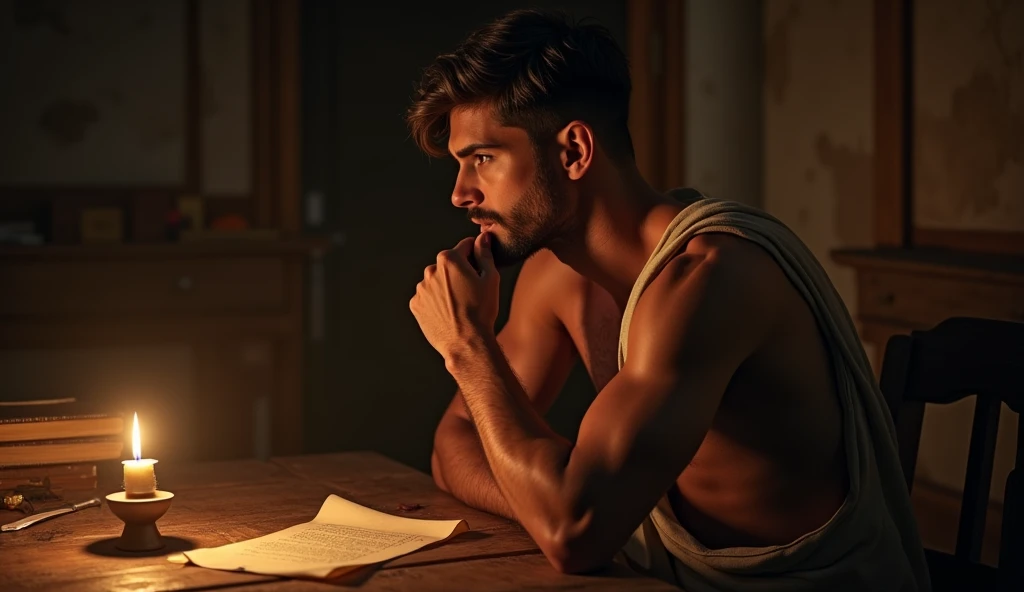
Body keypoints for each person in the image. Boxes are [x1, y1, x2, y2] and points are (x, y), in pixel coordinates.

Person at [405, 9, 930, 592]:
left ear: (574, 152)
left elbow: (573, 532)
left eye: (482, 158)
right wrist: (546, 492)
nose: (459, 193)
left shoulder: (710, 280)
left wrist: (467, 347)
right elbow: (453, 442)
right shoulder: (554, 277)